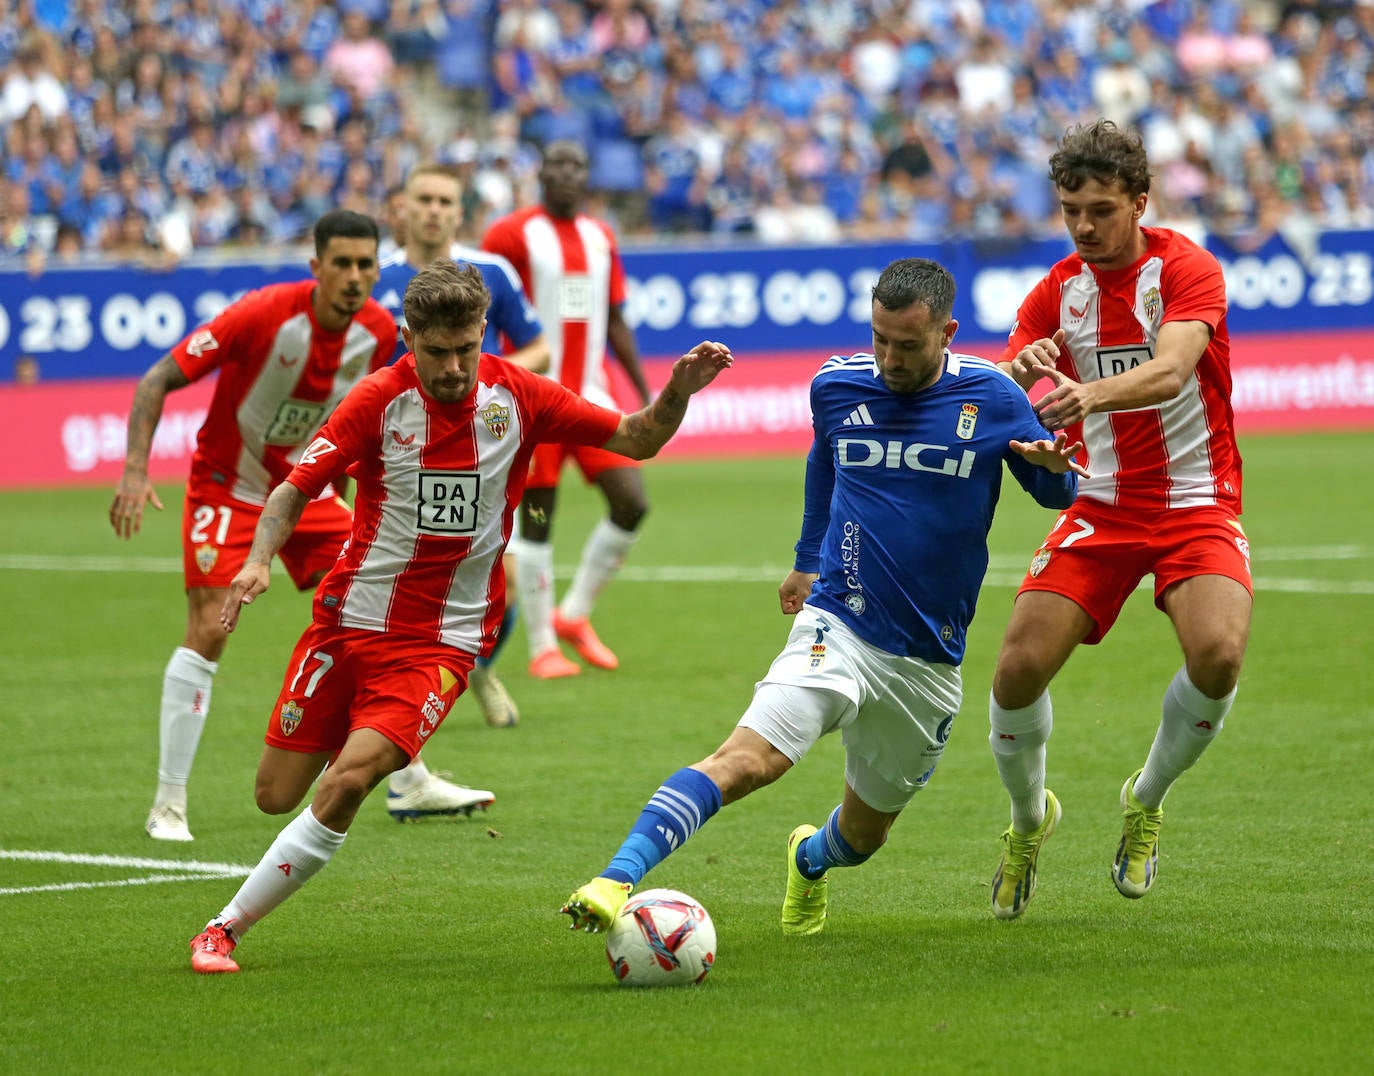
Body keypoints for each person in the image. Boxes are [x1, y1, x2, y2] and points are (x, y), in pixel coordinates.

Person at [187, 260, 732, 973]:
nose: (451, 367)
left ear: (483, 332)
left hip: (443, 640)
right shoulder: (377, 400)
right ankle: (359, 744)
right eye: (435, 351)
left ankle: (222, 929)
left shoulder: (520, 396)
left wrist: (676, 393)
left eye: (465, 349)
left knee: (348, 781)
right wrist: (260, 559)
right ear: (408, 337)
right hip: (348, 621)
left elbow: (637, 437)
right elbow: (295, 488)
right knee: (274, 795)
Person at [562, 258, 1086, 937]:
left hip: (928, 659)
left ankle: (808, 859)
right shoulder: (836, 386)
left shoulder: (992, 395)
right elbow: (824, 459)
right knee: (749, 759)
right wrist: (807, 560)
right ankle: (614, 878)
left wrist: (1053, 475)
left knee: (863, 839)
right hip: (837, 623)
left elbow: (1054, 489)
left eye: (908, 344)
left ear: (947, 332)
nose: (890, 358)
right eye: (880, 339)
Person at [109, 208, 485, 842]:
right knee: (209, 627)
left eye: (366, 264)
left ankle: (407, 776)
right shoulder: (261, 313)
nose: (354, 276)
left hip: (308, 499)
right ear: (316, 266)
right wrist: (134, 472)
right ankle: (168, 803)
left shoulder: (377, 328)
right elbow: (158, 378)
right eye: (341, 263)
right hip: (228, 491)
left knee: (380, 607)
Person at [984, 120, 1252, 920]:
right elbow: (1010, 380)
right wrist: (1026, 393)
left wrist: (1086, 392)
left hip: (1196, 499)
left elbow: (1172, 370)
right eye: (1070, 210)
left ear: (1141, 200)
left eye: (1101, 209)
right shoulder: (1054, 290)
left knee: (1220, 654)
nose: (1084, 227)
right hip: (1100, 503)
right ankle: (1030, 820)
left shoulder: (1186, 270)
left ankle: (1147, 797)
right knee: (1016, 670)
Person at [377, 161, 550, 735]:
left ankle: (475, 669)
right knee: (404, 585)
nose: (432, 210)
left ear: (459, 211)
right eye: (422, 198)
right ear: (402, 206)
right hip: (401, 456)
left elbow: (538, 350)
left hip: (488, 452)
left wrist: (487, 387)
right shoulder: (374, 278)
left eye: (444, 201)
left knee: (506, 584)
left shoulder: (494, 273)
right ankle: (405, 704)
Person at [481, 140, 655, 679]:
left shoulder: (601, 236)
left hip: (592, 397)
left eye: (577, 163)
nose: (566, 172)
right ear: (540, 173)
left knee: (631, 503)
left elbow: (615, 319)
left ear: (587, 174)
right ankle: (541, 649)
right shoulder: (510, 235)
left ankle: (573, 615)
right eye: (557, 163)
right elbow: (485, 309)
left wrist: (646, 393)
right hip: (535, 404)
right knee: (537, 522)